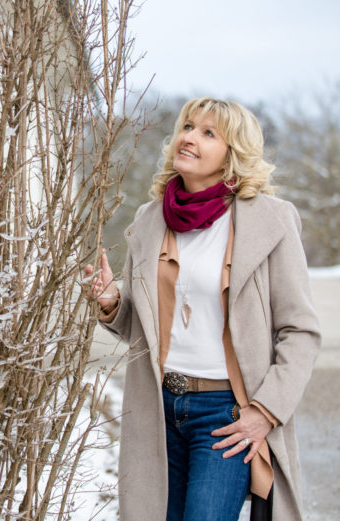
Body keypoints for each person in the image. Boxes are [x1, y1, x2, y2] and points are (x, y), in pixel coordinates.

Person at [86, 98, 321, 521]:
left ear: (233, 154)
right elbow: (144, 327)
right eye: (188, 126)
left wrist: (265, 411)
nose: (189, 137)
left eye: (208, 133)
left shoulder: (270, 220)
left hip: (225, 414)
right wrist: (111, 302)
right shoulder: (149, 221)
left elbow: (300, 330)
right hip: (158, 410)